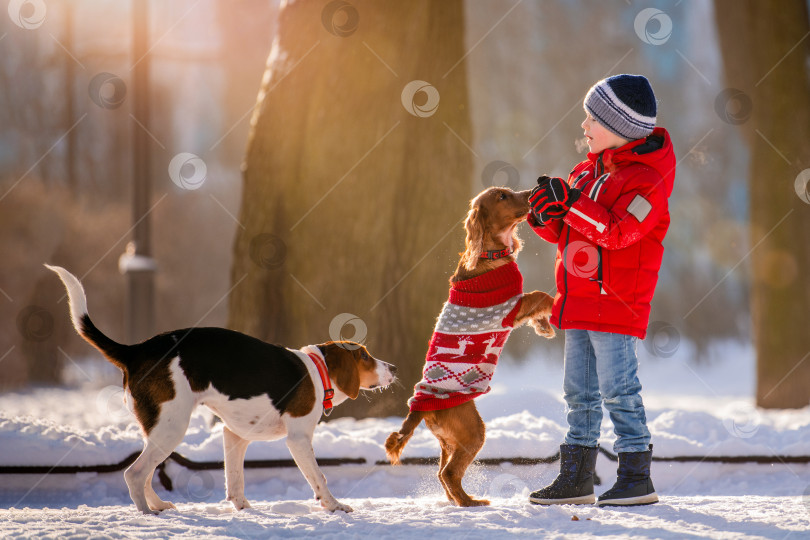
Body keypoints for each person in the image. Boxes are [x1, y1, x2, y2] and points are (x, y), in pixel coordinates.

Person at [526, 74, 675, 506]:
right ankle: (577, 476)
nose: (584, 125)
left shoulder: (647, 180)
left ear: (620, 129)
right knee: (579, 393)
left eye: (592, 118)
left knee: (618, 390)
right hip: (578, 300)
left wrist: (571, 203)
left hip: (616, 302)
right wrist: (546, 213)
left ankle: (635, 475)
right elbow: (569, 233)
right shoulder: (587, 170)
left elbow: (617, 233)